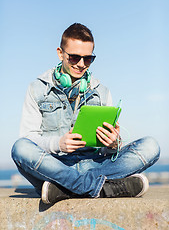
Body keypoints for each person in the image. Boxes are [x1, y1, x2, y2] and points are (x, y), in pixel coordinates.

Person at [11, 23, 160, 204]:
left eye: (88, 59)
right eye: (74, 58)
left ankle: (66, 189)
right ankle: (102, 188)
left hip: (95, 164)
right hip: (56, 165)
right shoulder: (37, 88)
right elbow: (28, 138)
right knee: (20, 148)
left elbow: (107, 150)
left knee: (151, 146)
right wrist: (58, 144)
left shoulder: (102, 91)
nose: (81, 65)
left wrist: (113, 144)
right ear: (60, 53)